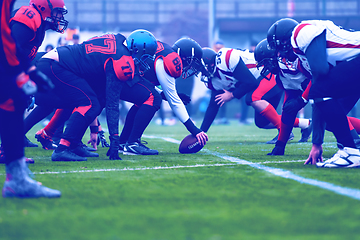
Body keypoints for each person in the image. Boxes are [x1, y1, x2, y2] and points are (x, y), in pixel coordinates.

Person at [31, 30, 152, 161]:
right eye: (144, 57)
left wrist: (96, 130)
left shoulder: (118, 42)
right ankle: (63, 148)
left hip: (57, 62)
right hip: (56, 65)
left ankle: (73, 144)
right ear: (136, 50)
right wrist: (115, 140)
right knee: (89, 104)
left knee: (95, 102)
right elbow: (113, 103)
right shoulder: (121, 59)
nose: (145, 63)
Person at [267, 18, 360, 167]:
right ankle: (351, 147)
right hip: (353, 64)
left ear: (284, 40)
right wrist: (316, 144)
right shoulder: (301, 58)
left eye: (278, 47)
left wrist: (302, 100)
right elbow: (319, 95)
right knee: (332, 114)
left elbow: (320, 73)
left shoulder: (300, 32)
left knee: (321, 93)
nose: (278, 54)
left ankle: (351, 149)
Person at [1, 0, 68, 198]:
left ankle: (13, 169)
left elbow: (12, 44)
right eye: (57, 12)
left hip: (9, 62)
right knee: (13, 101)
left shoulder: (37, 22)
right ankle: (16, 177)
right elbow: (8, 42)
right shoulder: (28, 16)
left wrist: (29, 71)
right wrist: (21, 75)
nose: (60, 17)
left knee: (15, 102)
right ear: (44, 7)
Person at [199, 46, 311, 143]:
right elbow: (213, 106)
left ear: (211, 63)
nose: (202, 72)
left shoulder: (225, 59)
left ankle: (284, 133)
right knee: (262, 122)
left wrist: (232, 95)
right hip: (260, 82)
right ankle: (306, 124)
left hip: (269, 74)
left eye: (202, 68)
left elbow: (250, 82)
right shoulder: (213, 79)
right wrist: (201, 133)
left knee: (252, 98)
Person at [118, 37, 209, 155]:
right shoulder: (170, 60)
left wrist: (164, 94)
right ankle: (133, 143)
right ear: (185, 57)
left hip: (123, 75)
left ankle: (123, 141)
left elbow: (145, 83)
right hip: (121, 76)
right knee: (153, 99)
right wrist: (194, 130)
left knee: (145, 99)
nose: (191, 67)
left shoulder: (165, 51)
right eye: (192, 62)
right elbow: (175, 102)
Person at [254, 38, 313, 155]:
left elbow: (318, 78)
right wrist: (280, 145)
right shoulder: (281, 74)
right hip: (317, 90)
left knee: (330, 118)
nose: (266, 68)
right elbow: (287, 112)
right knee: (288, 110)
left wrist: (302, 100)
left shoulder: (298, 60)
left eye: (266, 63)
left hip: (335, 85)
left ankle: (352, 144)